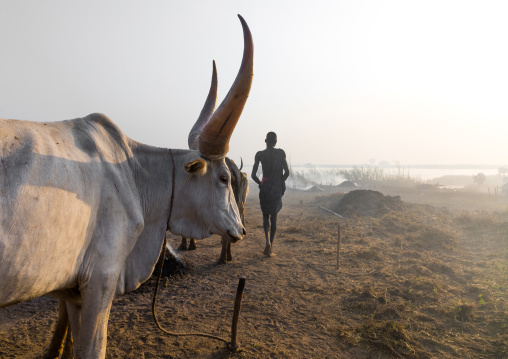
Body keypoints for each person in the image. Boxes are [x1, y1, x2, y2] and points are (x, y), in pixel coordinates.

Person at [251, 132, 290, 256]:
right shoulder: (280, 153)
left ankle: (267, 241)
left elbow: (253, 175)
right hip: (276, 189)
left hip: (265, 188)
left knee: (265, 217)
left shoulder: (260, 154)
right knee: (274, 218)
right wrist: (279, 182)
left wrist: (261, 183)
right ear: (275, 142)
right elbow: (287, 172)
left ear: (265, 141)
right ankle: (270, 246)